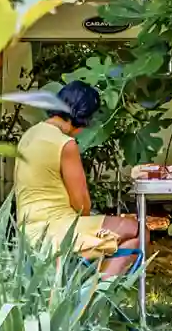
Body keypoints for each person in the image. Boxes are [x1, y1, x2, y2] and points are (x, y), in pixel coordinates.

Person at [13, 81, 145, 277]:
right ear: (82, 117)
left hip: (27, 230)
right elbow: (81, 205)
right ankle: (98, 295)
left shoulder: (29, 135)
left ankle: (87, 287)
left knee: (122, 239)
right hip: (57, 230)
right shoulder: (65, 144)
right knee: (138, 231)